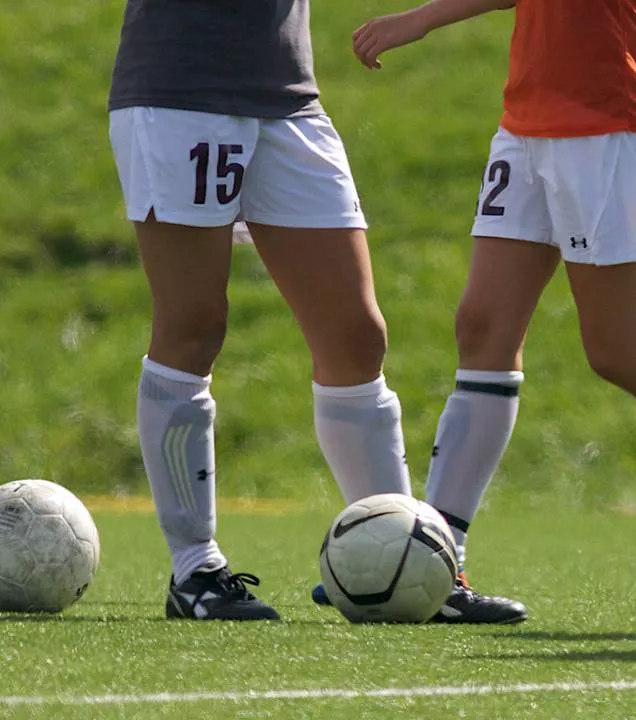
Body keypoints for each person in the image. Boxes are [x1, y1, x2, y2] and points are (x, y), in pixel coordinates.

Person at [333, 0, 636, 616]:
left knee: (623, 346)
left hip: (606, 115)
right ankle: (439, 560)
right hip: (529, 118)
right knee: (482, 328)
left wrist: (426, 17)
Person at [108, 0, 419, 621]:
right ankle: (194, 567)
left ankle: (400, 560)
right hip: (180, 88)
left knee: (355, 336)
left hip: (287, 94)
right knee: (192, 326)